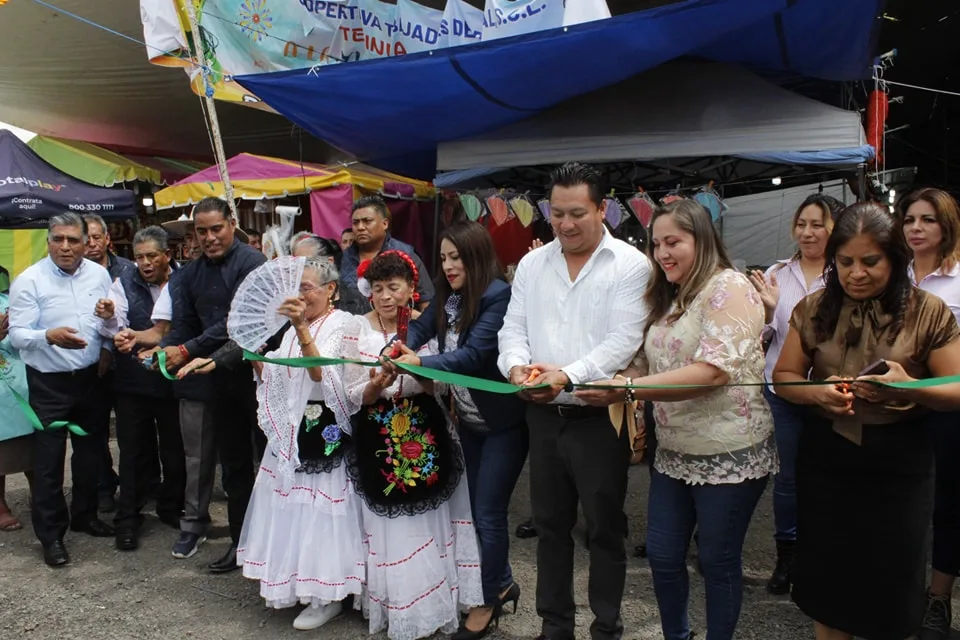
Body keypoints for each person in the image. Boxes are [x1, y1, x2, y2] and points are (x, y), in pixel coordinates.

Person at [578, 199, 776, 640]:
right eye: (656, 244)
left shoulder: (731, 289)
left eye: (674, 242)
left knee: (716, 560)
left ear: (701, 241)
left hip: (729, 454)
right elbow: (646, 365)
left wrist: (627, 389)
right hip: (674, 452)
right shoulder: (668, 296)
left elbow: (712, 372)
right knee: (664, 558)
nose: (663, 253)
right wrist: (599, 381)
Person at [773, 202, 960, 640]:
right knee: (828, 580)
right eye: (845, 262)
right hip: (827, 459)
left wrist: (909, 386)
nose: (856, 273)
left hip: (899, 464)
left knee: (889, 584)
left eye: (870, 261)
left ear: (895, 258)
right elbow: (784, 377)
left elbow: (956, 388)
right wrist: (817, 392)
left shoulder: (928, 311)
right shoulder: (814, 307)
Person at [498, 162, 651, 640]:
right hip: (542, 416)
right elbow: (513, 328)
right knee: (549, 526)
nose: (564, 224)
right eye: (557, 213)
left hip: (598, 418)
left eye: (577, 214)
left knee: (605, 528)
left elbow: (623, 340)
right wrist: (516, 367)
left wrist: (567, 374)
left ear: (603, 208)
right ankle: (555, 625)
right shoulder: (532, 263)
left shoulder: (631, 265)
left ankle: (607, 626)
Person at [388, 221, 527, 639]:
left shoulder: (497, 296)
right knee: (475, 514)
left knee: (488, 514)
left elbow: (473, 355)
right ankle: (499, 583)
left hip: (503, 424)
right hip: (467, 419)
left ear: (477, 255)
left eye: (456, 257)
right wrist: (398, 345)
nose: (448, 266)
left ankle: (488, 599)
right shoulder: (449, 296)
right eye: (444, 258)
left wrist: (419, 364)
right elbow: (420, 327)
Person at [343, 250, 482, 640]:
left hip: (424, 427)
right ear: (369, 292)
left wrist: (414, 371)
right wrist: (376, 383)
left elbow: (440, 383)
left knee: (430, 516)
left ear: (411, 289)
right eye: (379, 289)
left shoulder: (426, 328)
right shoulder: (356, 330)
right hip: (378, 432)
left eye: (395, 287)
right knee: (389, 520)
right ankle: (397, 606)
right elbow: (355, 393)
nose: (387, 297)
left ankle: (435, 602)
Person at [228, 258, 365, 630]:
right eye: (298, 287)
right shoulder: (290, 329)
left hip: (324, 429)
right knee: (289, 507)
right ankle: (295, 582)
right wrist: (261, 359)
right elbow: (278, 371)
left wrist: (302, 327)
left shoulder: (346, 325)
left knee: (322, 511)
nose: (300, 294)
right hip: (292, 425)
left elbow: (324, 375)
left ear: (331, 289)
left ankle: (327, 594)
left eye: (307, 287)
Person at [151, 197, 267, 571]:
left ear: (231, 224)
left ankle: (274, 542)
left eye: (216, 228)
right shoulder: (188, 274)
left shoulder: (252, 262)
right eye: (202, 231)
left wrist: (187, 348)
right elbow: (183, 322)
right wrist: (168, 350)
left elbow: (239, 322)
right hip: (215, 381)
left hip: (259, 375)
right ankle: (240, 542)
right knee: (232, 465)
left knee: (269, 462)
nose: (210, 237)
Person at [747, 194, 841, 594]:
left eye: (817, 224)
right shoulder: (777, 274)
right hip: (781, 389)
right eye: (802, 224)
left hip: (833, 391)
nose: (807, 232)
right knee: (786, 478)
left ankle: (826, 554)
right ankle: (787, 555)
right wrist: (767, 312)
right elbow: (758, 337)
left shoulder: (846, 273)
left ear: (835, 228)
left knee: (828, 473)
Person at [8, 213, 115, 567]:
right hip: (48, 384)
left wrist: (106, 342)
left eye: (72, 240)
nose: (65, 246)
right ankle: (51, 535)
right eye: (58, 239)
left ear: (87, 242)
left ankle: (84, 515)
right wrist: (47, 336)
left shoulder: (99, 275)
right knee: (48, 463)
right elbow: (17, 335)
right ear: (48, 241)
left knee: (90, 453)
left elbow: (109, 320)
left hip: (89, 379)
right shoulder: (30, 281)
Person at [95, 226, 184, 551]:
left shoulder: (183, 280)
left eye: (151, 256)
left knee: (175, 450)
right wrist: (109, 322)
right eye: (139, 257)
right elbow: (115, 325)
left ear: (167, 255)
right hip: (133, 382)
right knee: (132, 452)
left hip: (174, 378)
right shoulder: (123, 282)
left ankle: (171, 507)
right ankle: (128, 519)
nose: (145, 263)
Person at [898, 188, 960, 640]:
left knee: (948, 502)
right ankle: (897, 591)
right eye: (910, 219)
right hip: (895, 404)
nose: (916, 228)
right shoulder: (891, 276)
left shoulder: (959, 278)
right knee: (898, 499)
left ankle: (938, 597)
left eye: (927, 220)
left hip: (946, 403)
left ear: (946, 226)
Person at [83, 213, 136, 514]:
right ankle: (104, 485)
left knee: (132, 433)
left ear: (106, 239)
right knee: (97, 431)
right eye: (84, 237)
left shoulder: (127, 270)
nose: (90, 243)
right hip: (94, 365)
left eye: (94, 237)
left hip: (127, 362)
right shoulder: (76, 273)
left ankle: (141, 485)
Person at [339, 195, 434, 314]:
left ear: (385, 224)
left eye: (367, 221)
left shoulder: (405, 255)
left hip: (399, 329)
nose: (360, 227)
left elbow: (426, 301)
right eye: (355, 223)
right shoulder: (343, 257)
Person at [0, 284, 34, 532]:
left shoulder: (8, 300)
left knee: (34, 444)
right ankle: (0, 506)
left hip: (22, 381)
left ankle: (41, 496)